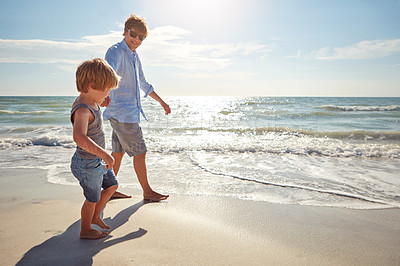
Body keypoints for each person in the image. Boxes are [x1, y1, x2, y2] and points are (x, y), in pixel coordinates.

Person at [103, 14, 171, 202]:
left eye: (142, 38)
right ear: (125, 31)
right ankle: (147, 192)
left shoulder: (134, 55)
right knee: (140, 152)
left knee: (117, 153)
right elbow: (109, 73)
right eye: (134, 35)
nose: (137, 40)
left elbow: (143, 82)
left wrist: (161, 102)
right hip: (123, 113)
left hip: (123, 113)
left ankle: (109, 190)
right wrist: (105, 94)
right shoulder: (116, 51)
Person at [70, 58, 120, 239]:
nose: (108, 94)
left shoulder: (91, 100)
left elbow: (95, 100)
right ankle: (85, 230)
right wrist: (105, 154)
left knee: (112, 186)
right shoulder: (82, 110)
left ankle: (95, 216)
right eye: (106, 89)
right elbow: (79, 137)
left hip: (96, 161)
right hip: (87, 163)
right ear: (92, 85)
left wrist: (101, 101)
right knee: (92, 198)